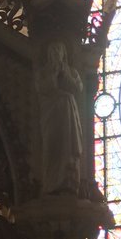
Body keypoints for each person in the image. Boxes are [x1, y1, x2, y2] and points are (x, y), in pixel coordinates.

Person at [36, 41, 83, 195]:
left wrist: (65, 74)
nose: (55, 53)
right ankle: (50, 183)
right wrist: (54, 74)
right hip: (51, 113)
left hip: (68, 112)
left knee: (68, 145)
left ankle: (68, 181)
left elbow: (78, 88)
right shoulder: (43, 72)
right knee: (51, 145)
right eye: (52, 50)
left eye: (58, 50)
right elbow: (41, 87)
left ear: (64, 54)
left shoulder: (71, 71)